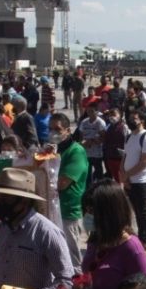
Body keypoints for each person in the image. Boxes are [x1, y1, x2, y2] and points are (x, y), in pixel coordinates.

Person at [49, 112, 87, 272]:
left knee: (72, 257)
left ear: (67, 131)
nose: (53, 133)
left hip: (69, 211)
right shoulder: (53, 150)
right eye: (50, 129)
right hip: (52, 210)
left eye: (58, 129)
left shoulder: (75, 151)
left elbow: (63, 182)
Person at [120, 110, 146, 256]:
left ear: (142, 120)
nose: (131, 121)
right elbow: (125, 156)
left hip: (142, 181)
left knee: (144, 213)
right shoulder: (130, 136)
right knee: (137, 213)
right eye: (130, 118)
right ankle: (142, 240)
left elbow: (144, 162)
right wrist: (123, 175)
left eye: (134, 118)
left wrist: (127, 175)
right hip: (130, 182)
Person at [79, 103, 106, 185]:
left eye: (92, 111)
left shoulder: (100, 123)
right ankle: (88, 189)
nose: (90, 113)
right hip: (86, 153)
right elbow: (81, 136)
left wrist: (93, 141)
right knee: (87, 173)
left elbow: (103, 137)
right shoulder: (84, 122)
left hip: (97, 153)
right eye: (88, 111)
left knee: (99, 173)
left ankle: (101, 188)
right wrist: (83, 143)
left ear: (96, 112)